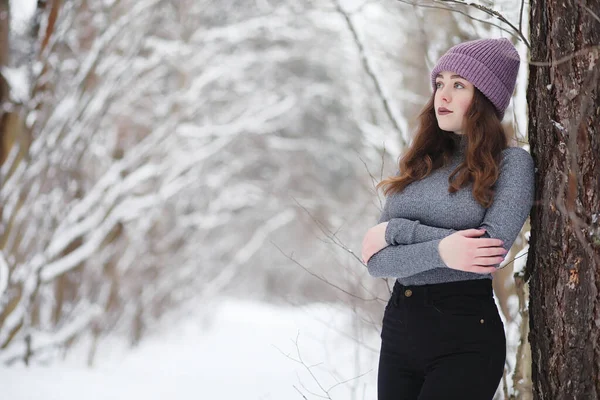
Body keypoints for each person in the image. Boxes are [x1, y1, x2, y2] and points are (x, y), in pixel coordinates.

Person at [360, 38, 535, 400]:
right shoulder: (418, 163)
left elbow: (484, 254)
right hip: (399, 333)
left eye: (459, 85)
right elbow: (376, 261)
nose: (443, 95)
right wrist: (437, 246)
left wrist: (395, 237)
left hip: (465, 337)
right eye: (440, 83)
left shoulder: (511, 164)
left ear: (485, 98)